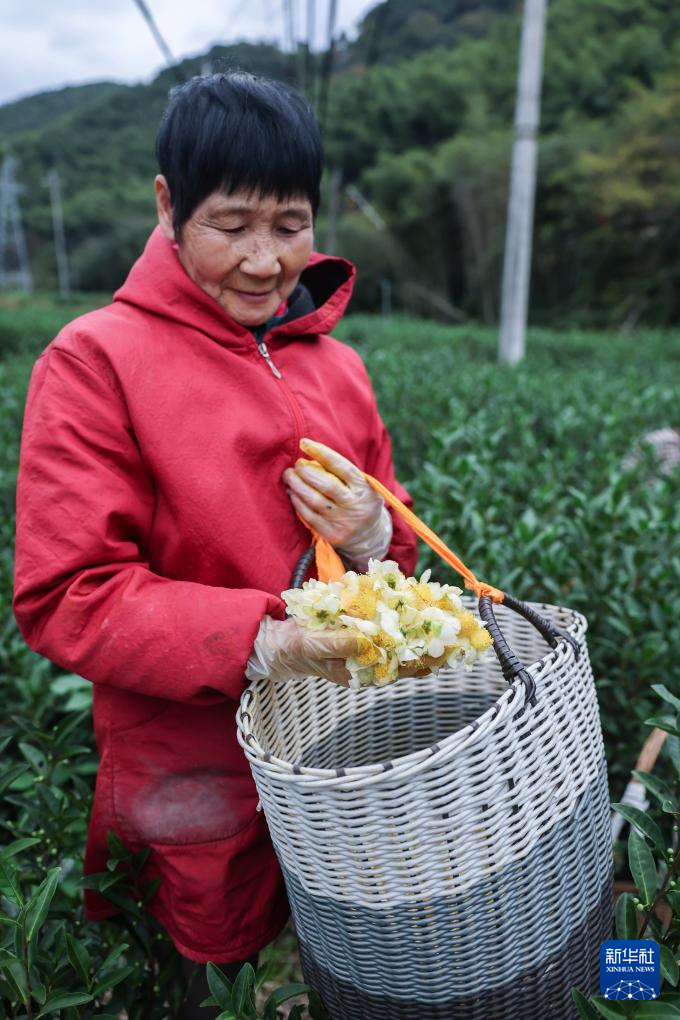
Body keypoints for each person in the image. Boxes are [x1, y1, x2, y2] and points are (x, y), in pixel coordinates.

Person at [13, 72, 418, 1017]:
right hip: (192, 774)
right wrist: (263, 638)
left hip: (348, 763)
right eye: (231, 225)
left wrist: (374, 533)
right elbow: (66, 592)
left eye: (289, 223)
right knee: (198, 981)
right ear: (167, 204)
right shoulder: (95, 361)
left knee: (352, 967)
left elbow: (397, 548)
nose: (266, 260)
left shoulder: (340, 363)